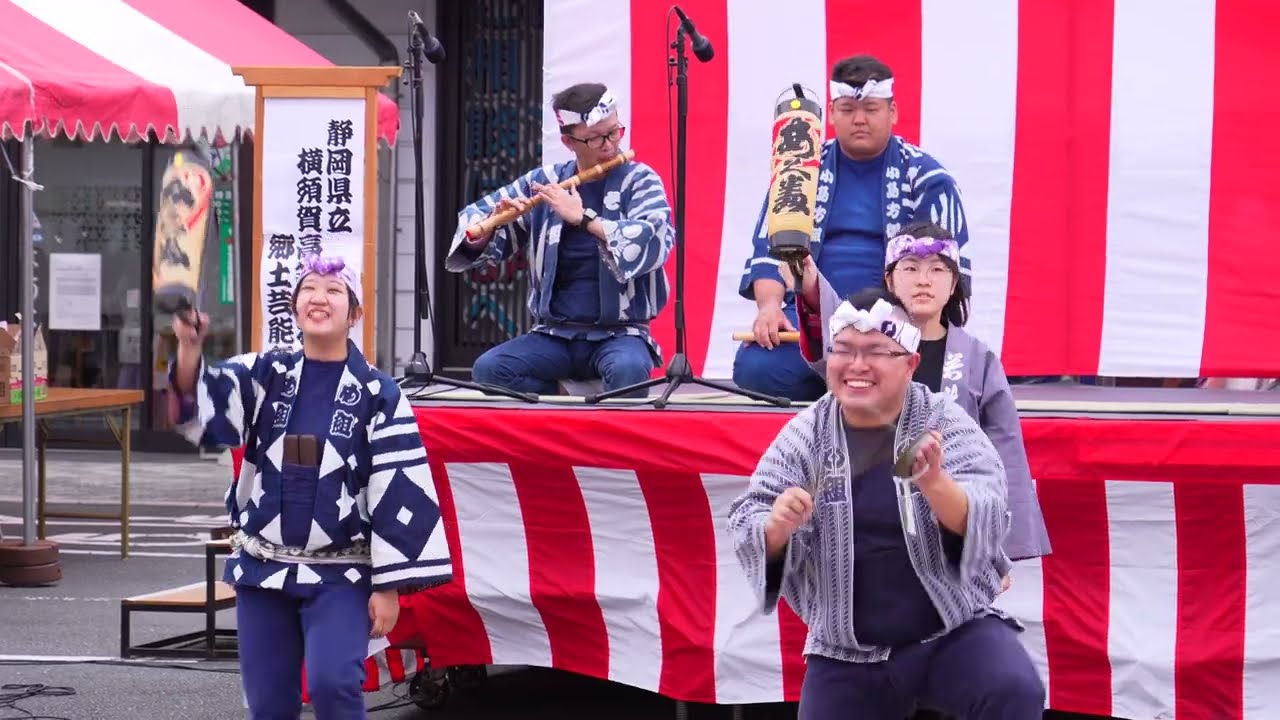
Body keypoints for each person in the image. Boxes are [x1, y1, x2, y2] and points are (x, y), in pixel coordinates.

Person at [727, 287, 1044, 719]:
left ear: (911, 364)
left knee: (1012, 689)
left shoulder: (943, 419)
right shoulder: (805, 435)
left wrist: (936, 484)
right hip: (846, 649)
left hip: (950, 630)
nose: (857, 366)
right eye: (844, 351)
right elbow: (751, 513)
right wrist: (777, 527)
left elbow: (988, 508)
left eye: (876, 352)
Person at [168, 254, 453, 719]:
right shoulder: (265, 372)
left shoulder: (379, 393)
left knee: (333, 683)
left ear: (354, 313)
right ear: (295, 305)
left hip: (343, 573)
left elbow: (398, 488)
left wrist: (389, 587)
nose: (319, 298)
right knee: (268, 703)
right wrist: (189, 349)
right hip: (264, 565)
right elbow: (199, 408)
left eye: (334, 290)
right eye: (309, 289)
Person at [790, 220, 1051, 567]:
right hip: (869, 517)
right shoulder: (865, 342)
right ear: (889, 280)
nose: (923, 280)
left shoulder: (976, 360)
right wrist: (808, 283)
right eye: (910, 268)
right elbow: (831, 333)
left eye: (937, 270)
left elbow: (1004, 454)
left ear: (954, 283)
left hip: (947, 517)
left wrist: (996, 550)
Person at [732, 54, 971, 402]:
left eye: (871, 109)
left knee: (928, 378)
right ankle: (834, 400)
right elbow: (769, 256)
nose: (859, 119)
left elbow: (945, 275)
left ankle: (847, 391)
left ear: (892, 113)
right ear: (830, 114)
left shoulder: (928, 178)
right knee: (756, 369)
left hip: (894, 321)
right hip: (813, 321)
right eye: (846, 109)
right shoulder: (798, 174)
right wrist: (769, 308)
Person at [446, 83, 674, 397]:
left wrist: (585, 219)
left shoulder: (640, 180)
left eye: (614, 132)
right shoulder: (544, 183)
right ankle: (567, 392)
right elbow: (474, 218)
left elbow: (655, 235)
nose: (609, 145)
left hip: (620, 334)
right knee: (489, 370)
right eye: (596, 138)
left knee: (629, 373)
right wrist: (489, 229)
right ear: (569, 141)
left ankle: (590, 407)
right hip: (553, 335)